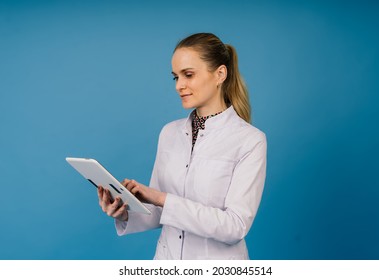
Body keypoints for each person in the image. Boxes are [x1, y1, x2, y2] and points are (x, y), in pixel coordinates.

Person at [97, 32, 267, 260]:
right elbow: (159, 213)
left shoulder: (250, 140)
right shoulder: (169, 133)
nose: (179, 86)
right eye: (175, 77)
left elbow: (235, 226)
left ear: (220, 74)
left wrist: (161, 198)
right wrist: (123, 212)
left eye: (188, 75)